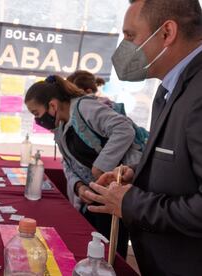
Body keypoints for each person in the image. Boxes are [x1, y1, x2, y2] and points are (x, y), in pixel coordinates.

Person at [83, 0, 202, 275]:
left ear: (166, 33)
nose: (124, 47)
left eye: (130, 36)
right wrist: (137, 175)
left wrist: (130, 203)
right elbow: (181, 162)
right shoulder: (169, 89)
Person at [25, 75, 143, 258]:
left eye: (36, 113)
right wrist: (78, 186)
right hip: (97, 193)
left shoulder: (85, 107)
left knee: (110, 252)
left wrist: (101, 167)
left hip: (119, 187)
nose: (37, 120)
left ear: (53, 105)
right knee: (91, 245)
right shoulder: (60, 127)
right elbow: (69, 163)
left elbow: (123, 128)